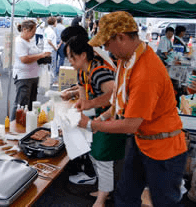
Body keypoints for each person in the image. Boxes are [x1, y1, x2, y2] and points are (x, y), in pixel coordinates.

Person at [80, 11, 187, 207]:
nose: (105, 49)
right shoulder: (128, 60)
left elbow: (130, 124)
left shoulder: (145, 71)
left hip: (164, 149)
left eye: (106, 43)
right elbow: (119, 103)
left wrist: (92, 125)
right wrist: (102, 118)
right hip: (142, 141)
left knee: (164, 202)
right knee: (125, 196)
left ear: (120, 37)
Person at [65, 35, 126, 207]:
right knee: (93, 154)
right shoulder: (82, 71)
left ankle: (102, 199)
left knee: (103, 159)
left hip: (110, 116)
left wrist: (95, 111)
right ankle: (103, 191)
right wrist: (79, 107)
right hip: (97, 116)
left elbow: (115, 98)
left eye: (71, 56)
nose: (69, 60)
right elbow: (83, 97)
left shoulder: (98, 71)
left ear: (83, 55)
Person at [11, 19, 50, 120]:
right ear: (24, 30)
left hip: (33, 75)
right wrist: (41, 55)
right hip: (23, 76)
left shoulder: (30, 41)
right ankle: (14, 125)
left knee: (31, 103)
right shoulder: (19, 41)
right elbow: (24, 59)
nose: (34, 34)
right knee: (21, 104)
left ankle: (27, 124)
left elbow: (34, 55)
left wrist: (43, 58)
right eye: (32, 32)